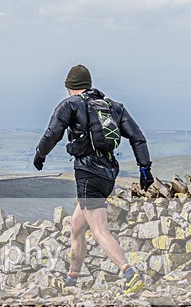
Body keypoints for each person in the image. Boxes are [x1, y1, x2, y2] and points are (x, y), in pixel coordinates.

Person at [33, 65, 153, 294]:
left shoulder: (70, 104)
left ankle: (130, 274)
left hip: (88, 174)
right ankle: (71, 281)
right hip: (108, 174)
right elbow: (137, 137)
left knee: (99, 230)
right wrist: (144, 168)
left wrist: (40, 154)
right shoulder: (113, 107)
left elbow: (52, 133)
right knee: (76, 228)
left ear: (69, 87)